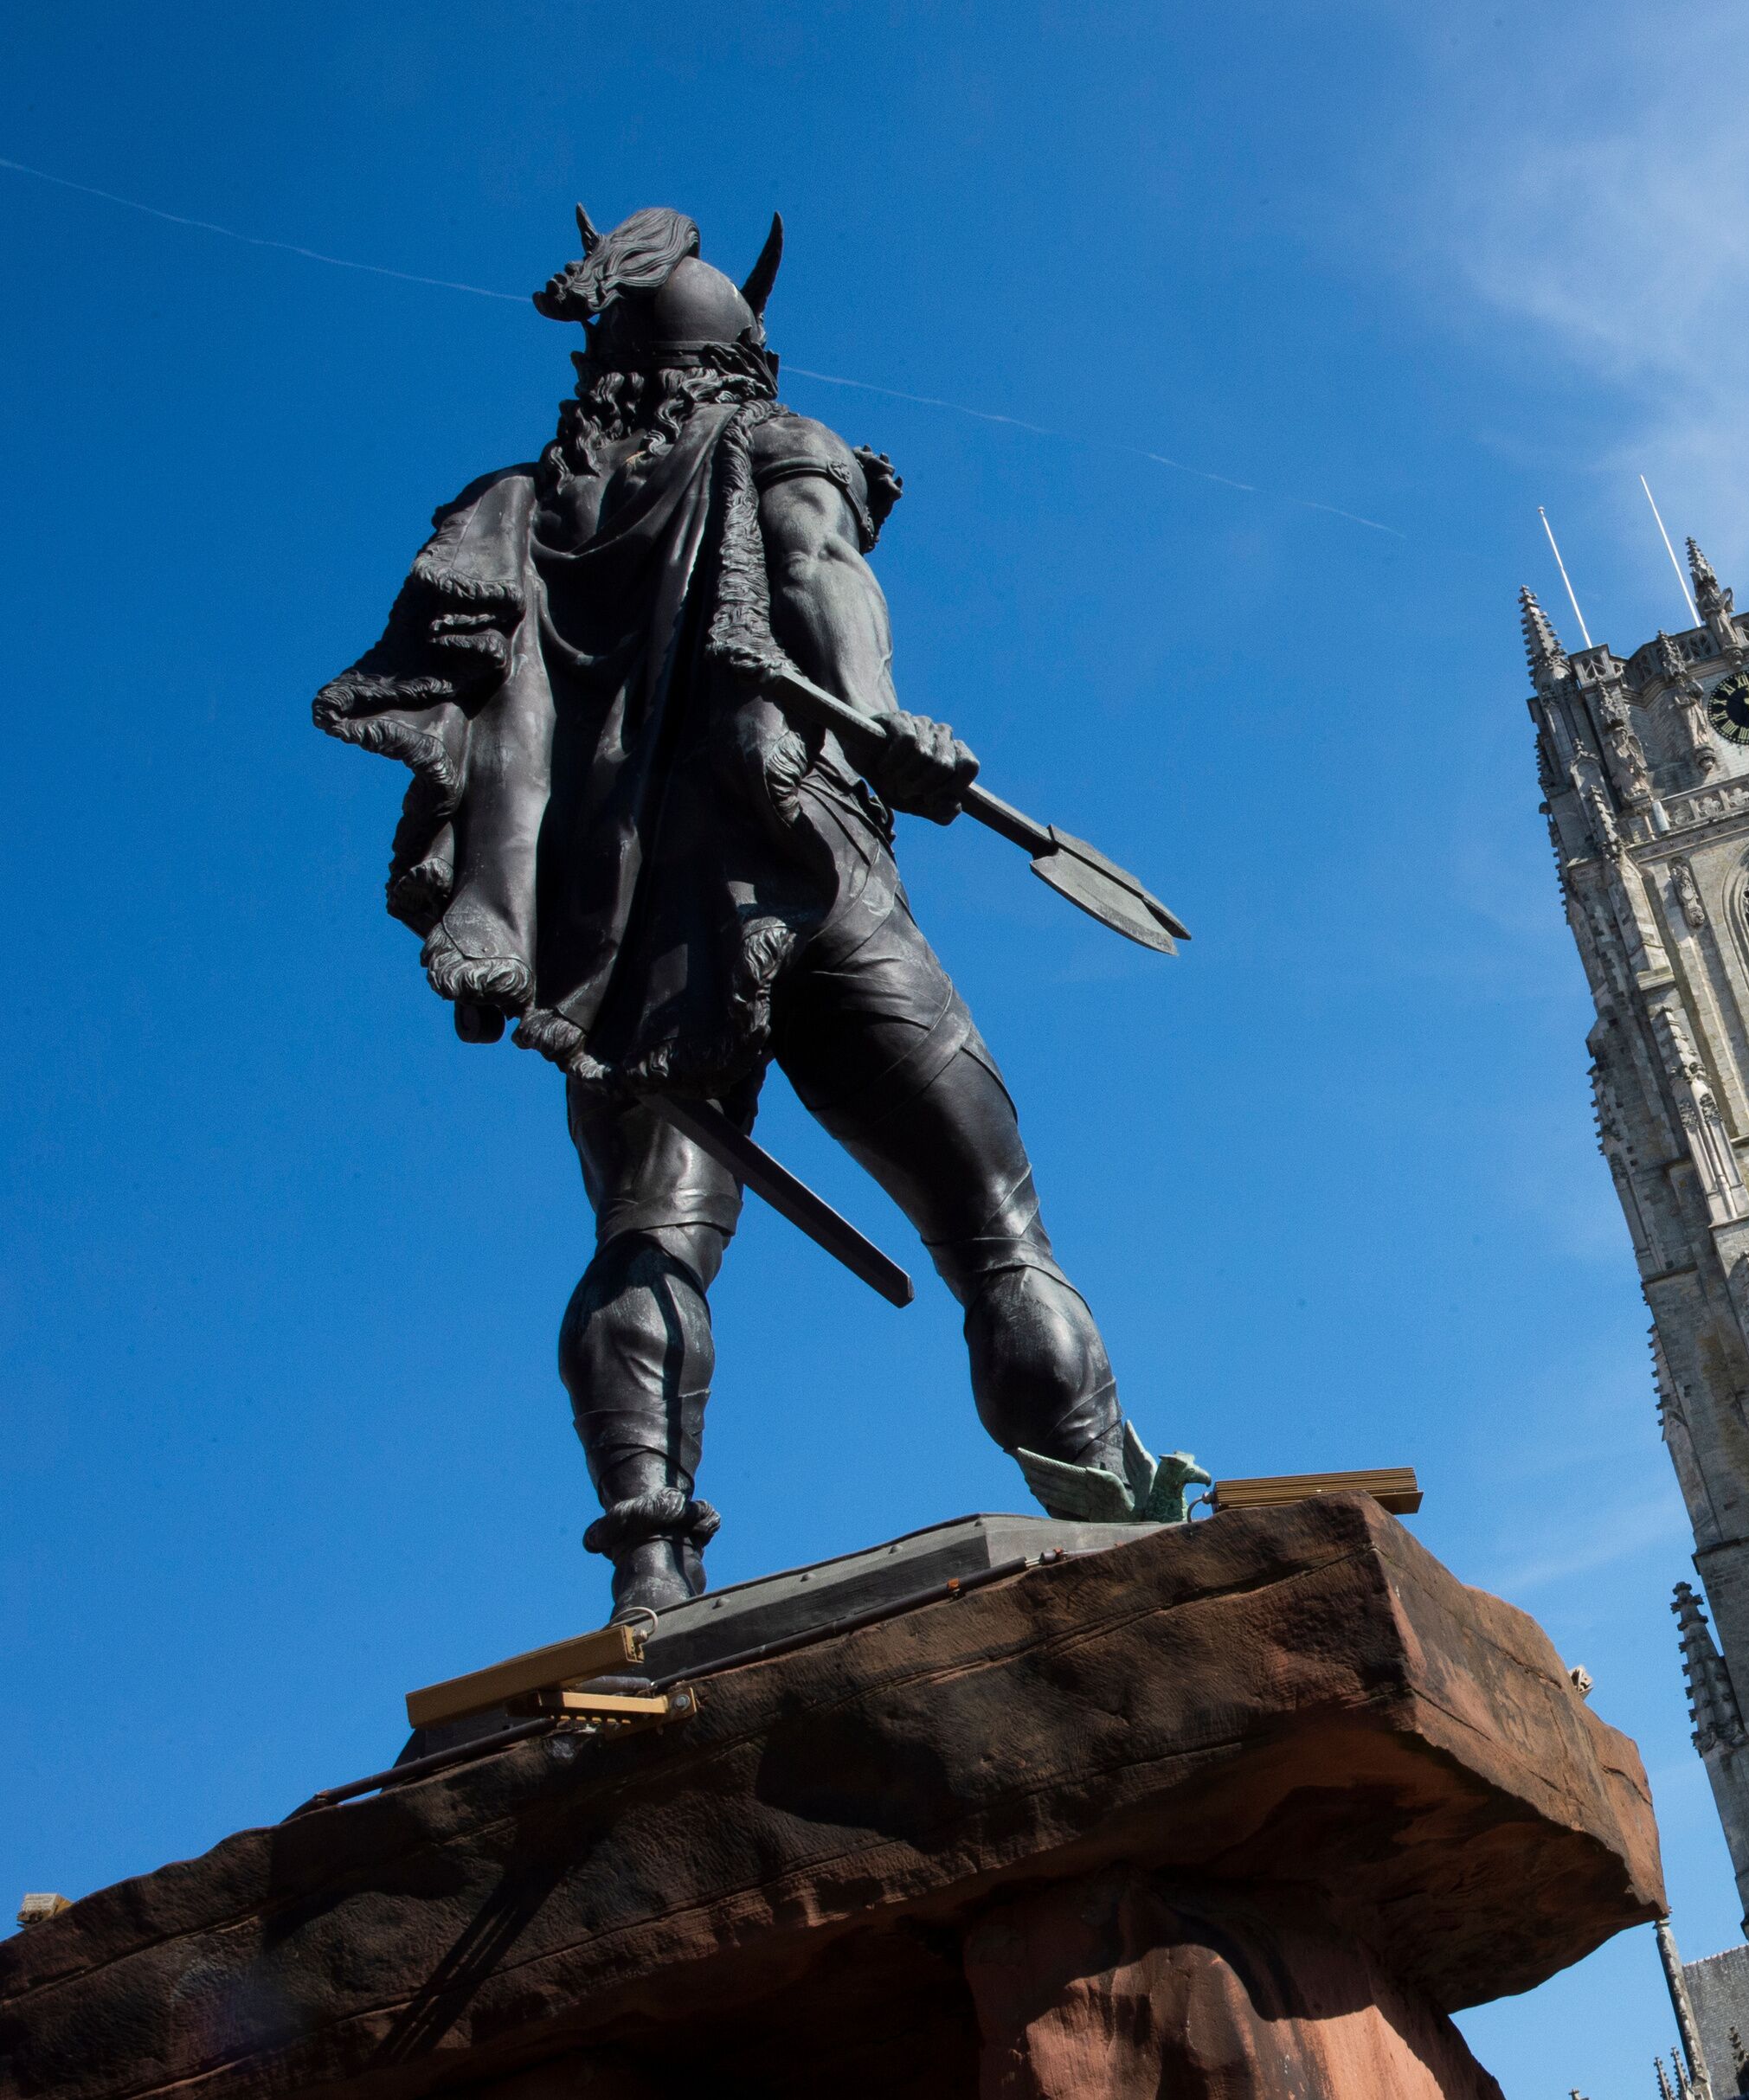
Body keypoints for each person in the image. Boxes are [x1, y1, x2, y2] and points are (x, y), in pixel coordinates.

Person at [318, 207, 1186, 1614]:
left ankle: (650, 1573)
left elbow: (503, 736)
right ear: (743, 357)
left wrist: (487, 917)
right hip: (808, 868)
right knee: (996, 1232)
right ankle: (1106, 1505)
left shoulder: (517, 511)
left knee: (648, 1238)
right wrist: (887, 715)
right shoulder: (778, 443)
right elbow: (818, 565)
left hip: (625, 941)